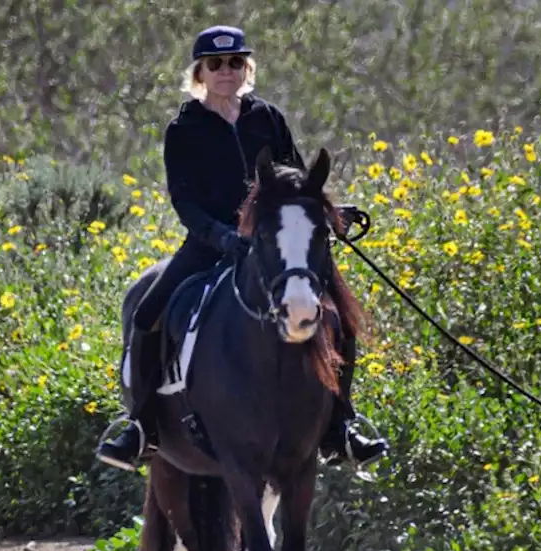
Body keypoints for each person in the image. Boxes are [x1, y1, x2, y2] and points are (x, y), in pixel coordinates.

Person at [95, 24, 389, 472]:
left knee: (337, 316)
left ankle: (341, 425)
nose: (225, 71)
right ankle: (141, 426)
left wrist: (330, 213)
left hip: (273, 248)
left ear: (245, 68)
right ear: (200, 73)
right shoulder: (184, 129)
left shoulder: (267, 117)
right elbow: (185, 200)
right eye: (214, 64)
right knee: (146, 312)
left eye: (234, 62)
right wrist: (222, 237)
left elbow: (296, 182)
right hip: (210, 244)